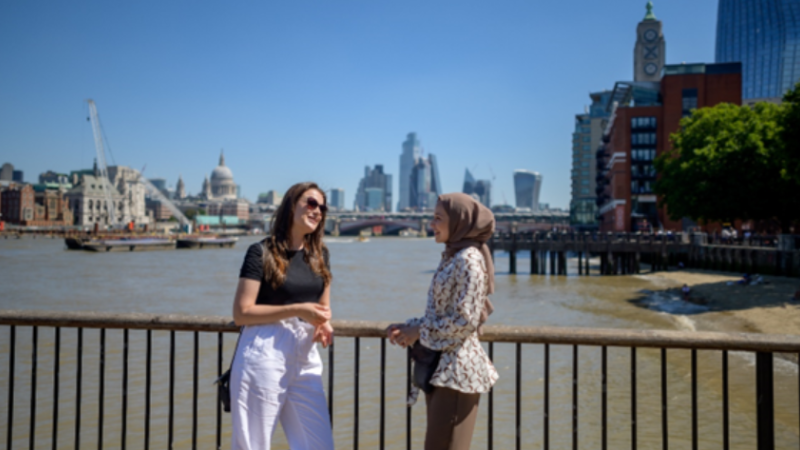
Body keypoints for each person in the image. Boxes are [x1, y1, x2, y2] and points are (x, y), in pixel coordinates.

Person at [387, 193, 499, 450]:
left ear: (459, 221)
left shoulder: (468, 260)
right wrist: (408, 327)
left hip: (458, 373)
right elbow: (441, 313)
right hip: (443, 369)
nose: (431, 225)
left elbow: (464, 320)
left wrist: (419, 330)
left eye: (438, 218)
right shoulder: (453, 256)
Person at [230, 182, 335, 450]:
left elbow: (323, 308)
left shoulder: (320, 255)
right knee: (253, 444)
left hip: (305, 354)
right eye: (311, 203)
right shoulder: (260, 252)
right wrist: (299, 310)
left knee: (318, 445)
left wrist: (324, 324)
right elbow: (242, 312)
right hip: (264, 349)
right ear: (291, 205)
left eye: (322, 207)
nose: (317, 211)